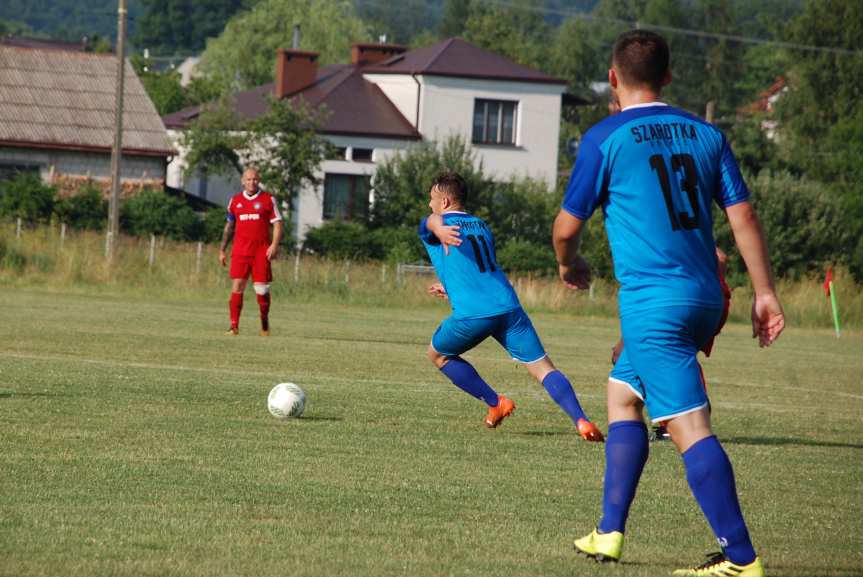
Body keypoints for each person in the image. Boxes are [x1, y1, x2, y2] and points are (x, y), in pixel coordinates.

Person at [552, 30, 784, 576]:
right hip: (706, 295)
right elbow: (743, 217)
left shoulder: (605, 137)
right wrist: (766, 292)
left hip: (655, 306)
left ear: (613, 78)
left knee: (689, 427)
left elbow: (566, 228)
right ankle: (609, 533)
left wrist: (568, 264)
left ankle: (742, 560)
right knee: (622, 395)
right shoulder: (707, 134)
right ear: (670, 77)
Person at [420, 172, 603, 441]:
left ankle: (496, 402)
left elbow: (430, 222)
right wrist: (451, 287)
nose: (430, 205)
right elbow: (477, 268)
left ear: (445, 202)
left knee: (438, 355)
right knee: (545, 370)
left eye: (432, 200)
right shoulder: (481, 225)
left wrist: (437, 226)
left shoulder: (440, 223)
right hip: (509, 309)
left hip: (475, 314)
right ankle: (581, 420)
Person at [612, 247, 732, 442]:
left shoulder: (654, 235)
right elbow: (720, 257)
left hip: (677, 302)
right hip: (708, 299)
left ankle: (681, 415)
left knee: (656, 355)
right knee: (676, 353)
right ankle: (684, 414)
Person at [219, 167, 284, 336]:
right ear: (242, 181)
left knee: (261, 290)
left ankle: (264, 321)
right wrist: (222, 250)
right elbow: (229, 226)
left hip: (261, 252)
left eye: (254, 179)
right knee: (237, 286)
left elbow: (277, 224)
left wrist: (274, 245)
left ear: (259, 180)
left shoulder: (268, 199)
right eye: (248, 179)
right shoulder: (235, 201)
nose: (251, 182)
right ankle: (234, 326)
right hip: (240, 251)